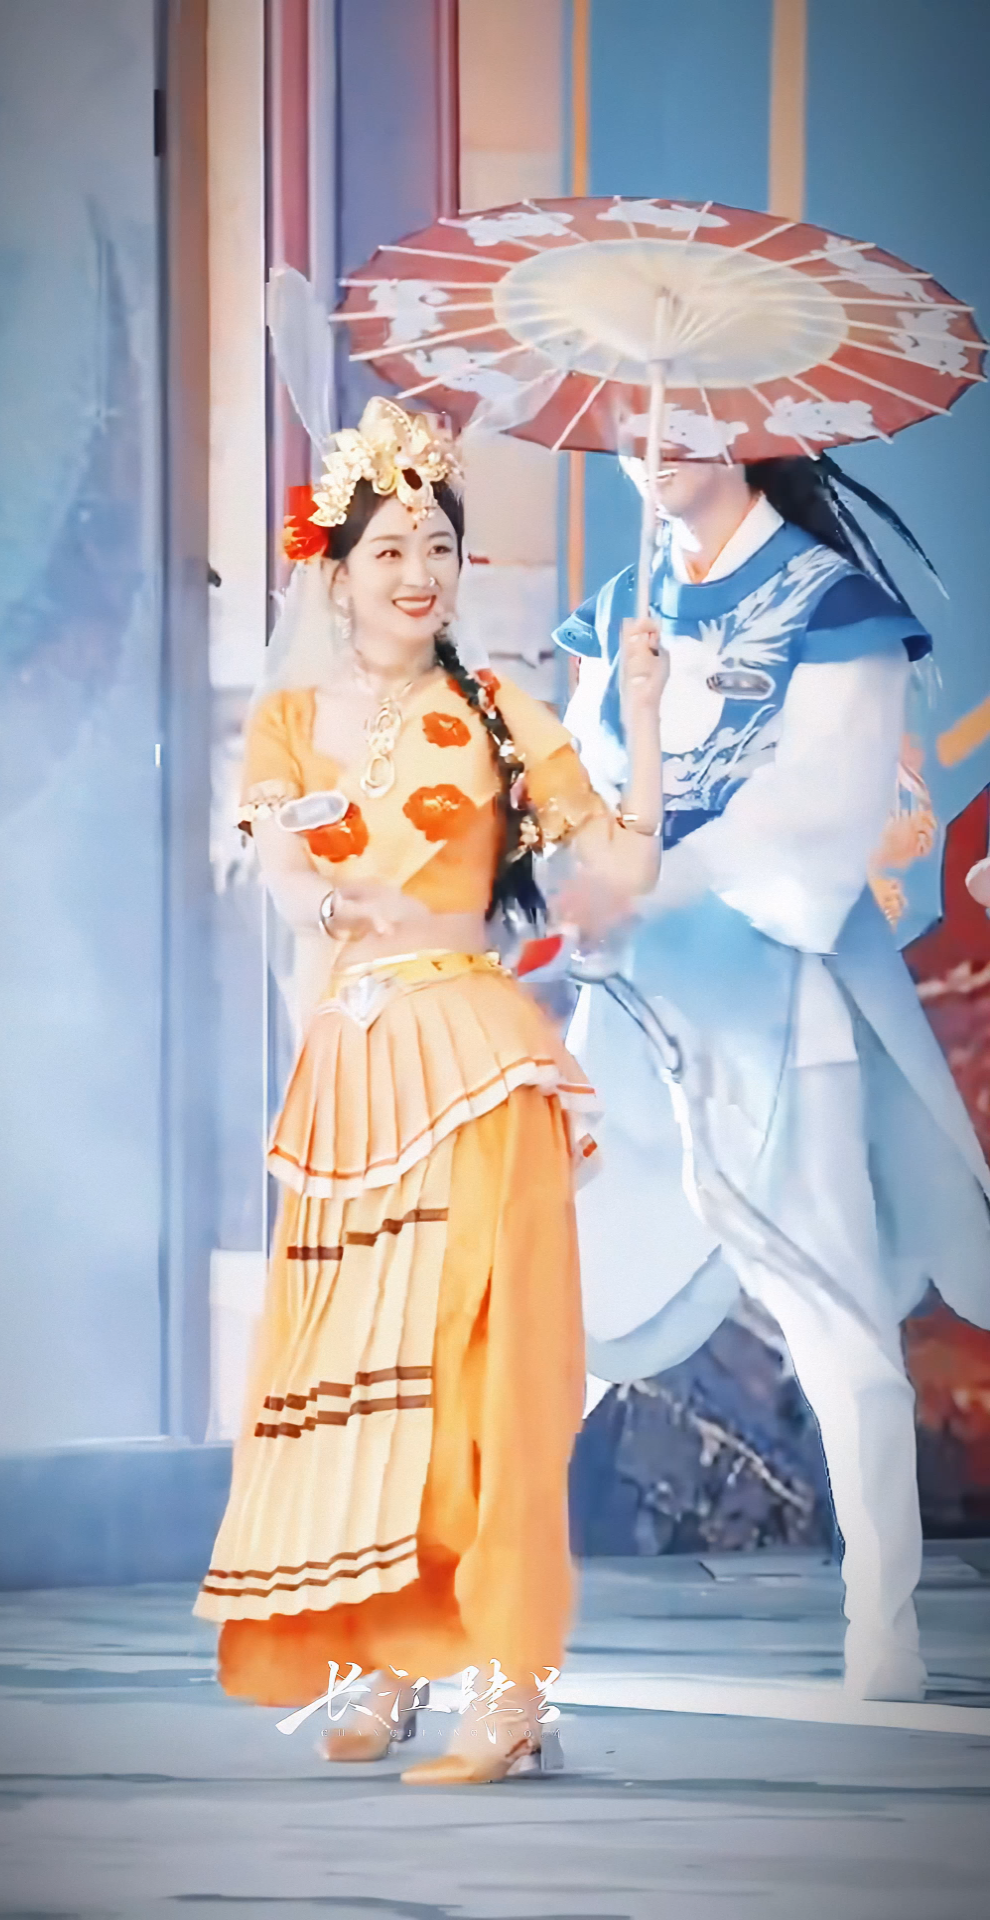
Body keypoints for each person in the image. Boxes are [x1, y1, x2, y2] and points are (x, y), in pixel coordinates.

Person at [195, 398, 667, 1783]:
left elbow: (623, 867)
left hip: (474, 1062)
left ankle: (512, 1688)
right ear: (336, 572)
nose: (419, 573)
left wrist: (644, 717)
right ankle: (390, 1659)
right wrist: (320, 892)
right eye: (391, 549)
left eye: (440, 548)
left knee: (486, 1374)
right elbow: (280, 871)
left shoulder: (504, 713)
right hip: (350, 1076)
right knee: (364, 1373)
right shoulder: (289, 723)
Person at [556, 451, 990, 1703]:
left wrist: (654, 873)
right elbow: (577, 797)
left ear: (753, 428)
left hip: (780, 1006)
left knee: (837, 1320)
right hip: (635, 1008)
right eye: (643, 429)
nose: (657, 450)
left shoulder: (832, 609)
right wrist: (601, 817)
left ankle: (883, 1630)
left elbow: (818, 829)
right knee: (560, 1313)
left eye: (690, 422)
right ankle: (479, 1617)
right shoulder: (617, 611)